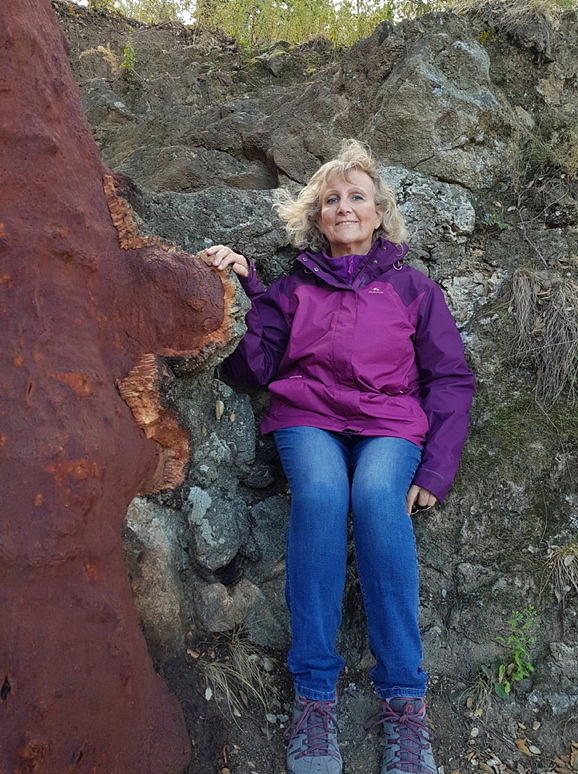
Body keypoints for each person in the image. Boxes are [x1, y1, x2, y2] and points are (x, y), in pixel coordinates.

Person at [208, 139, 475, 774]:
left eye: (358, 197)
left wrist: (437, 467)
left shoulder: (414, 289)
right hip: (309, 417)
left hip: (390, 421)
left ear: (380, 213)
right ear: (318, 217)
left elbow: (450, 379)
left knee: (378, 498)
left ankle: (405, 703)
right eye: (332, 200)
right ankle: (314, 697)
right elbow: (250, 369)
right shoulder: (294, 287)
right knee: (324, 495)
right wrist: (244, 290)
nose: (345, 207)